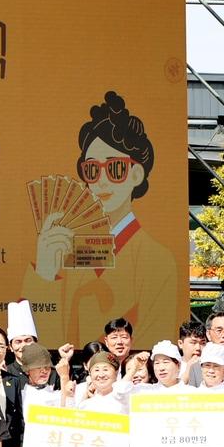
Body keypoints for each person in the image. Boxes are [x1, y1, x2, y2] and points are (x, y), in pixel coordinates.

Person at [25, 90, 178, 347]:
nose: (102, 180)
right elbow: (35, 339)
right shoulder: (65, 250)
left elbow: (153, 344)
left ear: (136, 174)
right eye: (92, 170)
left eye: (115, 168)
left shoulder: (157, 260)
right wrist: (44, 274)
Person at [176, 319, 207, 385]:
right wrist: (188, 368)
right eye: (193, 342)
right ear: (180, 343)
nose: (198, 348)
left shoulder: (210, 366)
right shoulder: (172, 366)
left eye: (203, 343)